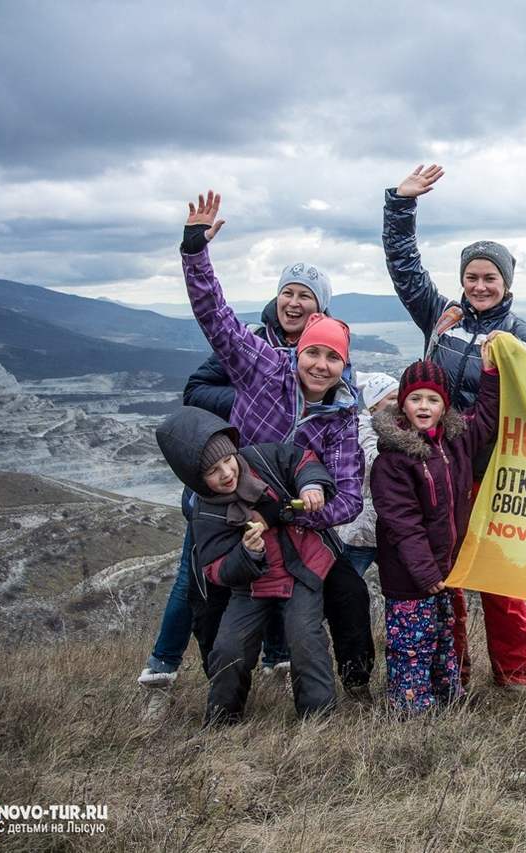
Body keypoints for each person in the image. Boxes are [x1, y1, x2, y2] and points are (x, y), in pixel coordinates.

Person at [180, 190, 375, 697]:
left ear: (342, 365)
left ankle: (355, 686)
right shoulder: (263, 367)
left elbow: (349, 497)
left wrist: (295, 512)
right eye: (313, 352)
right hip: (230, 505)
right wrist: (195, 251)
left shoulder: (340, 417)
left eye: (332, 359)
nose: (319, 365)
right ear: (299, 351)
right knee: (210, 596)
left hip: (296, 523)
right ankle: (221, 689)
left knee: (349, 592)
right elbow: (215, 319)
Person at [383, 165, 526, 690]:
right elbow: (406, 271)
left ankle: (515, 675)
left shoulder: (522, 334)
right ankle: (454, 673)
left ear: (506, 283)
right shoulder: (441, 316)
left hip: (492, 473)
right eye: (472, 276)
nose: (479, 285)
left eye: (489, 278)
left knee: (499, 578)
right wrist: (400, 206)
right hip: (439, 471)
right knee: (445, 575)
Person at [139, 260, 331, 687]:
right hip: (222, 480)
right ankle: (161, 668)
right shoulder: (253, 343)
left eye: (306, 296)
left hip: (275, 488)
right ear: (277, 297)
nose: (294, 303)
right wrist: (251, 397)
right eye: (288, 293)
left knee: (278, 567)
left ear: (321, 308)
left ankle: (276, 662)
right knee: (195, 578)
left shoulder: (320, 354)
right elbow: (195, 391)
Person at [155, 407, 337, 723]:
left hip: (301, 571)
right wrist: (247, 554)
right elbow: (215, 570)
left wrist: (311, 486)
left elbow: (301, 460)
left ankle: (319, 719)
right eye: (213, 470)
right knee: (228, 649)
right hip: (251, 588)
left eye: (228, 460)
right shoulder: (206, 514)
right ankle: (223, 721)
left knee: (304, 636)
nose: (227, 472)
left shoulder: (261, 460)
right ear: (195, 478)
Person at [371, 351, 501, 714]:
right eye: (415, 398)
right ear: (403, 403)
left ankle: (447, 695)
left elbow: (487, 418)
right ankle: (412, 707)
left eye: (433, 399)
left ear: (445, 405)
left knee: (444, 637)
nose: (424, 406)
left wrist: (490, 375)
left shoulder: (455, 442)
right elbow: (403, 525)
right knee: (413, 643)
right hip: (409, 576)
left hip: (445, 571)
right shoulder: (392, 461)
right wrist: (425, 572)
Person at [335, 372, 400, 577]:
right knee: (349, 581)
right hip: (361, 528)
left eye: (399, 397)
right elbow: (374, 461)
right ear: (373, 406)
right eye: (391, 398)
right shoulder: (362, 429)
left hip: (381, 525)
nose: (398, 403)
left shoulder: (390, 430)